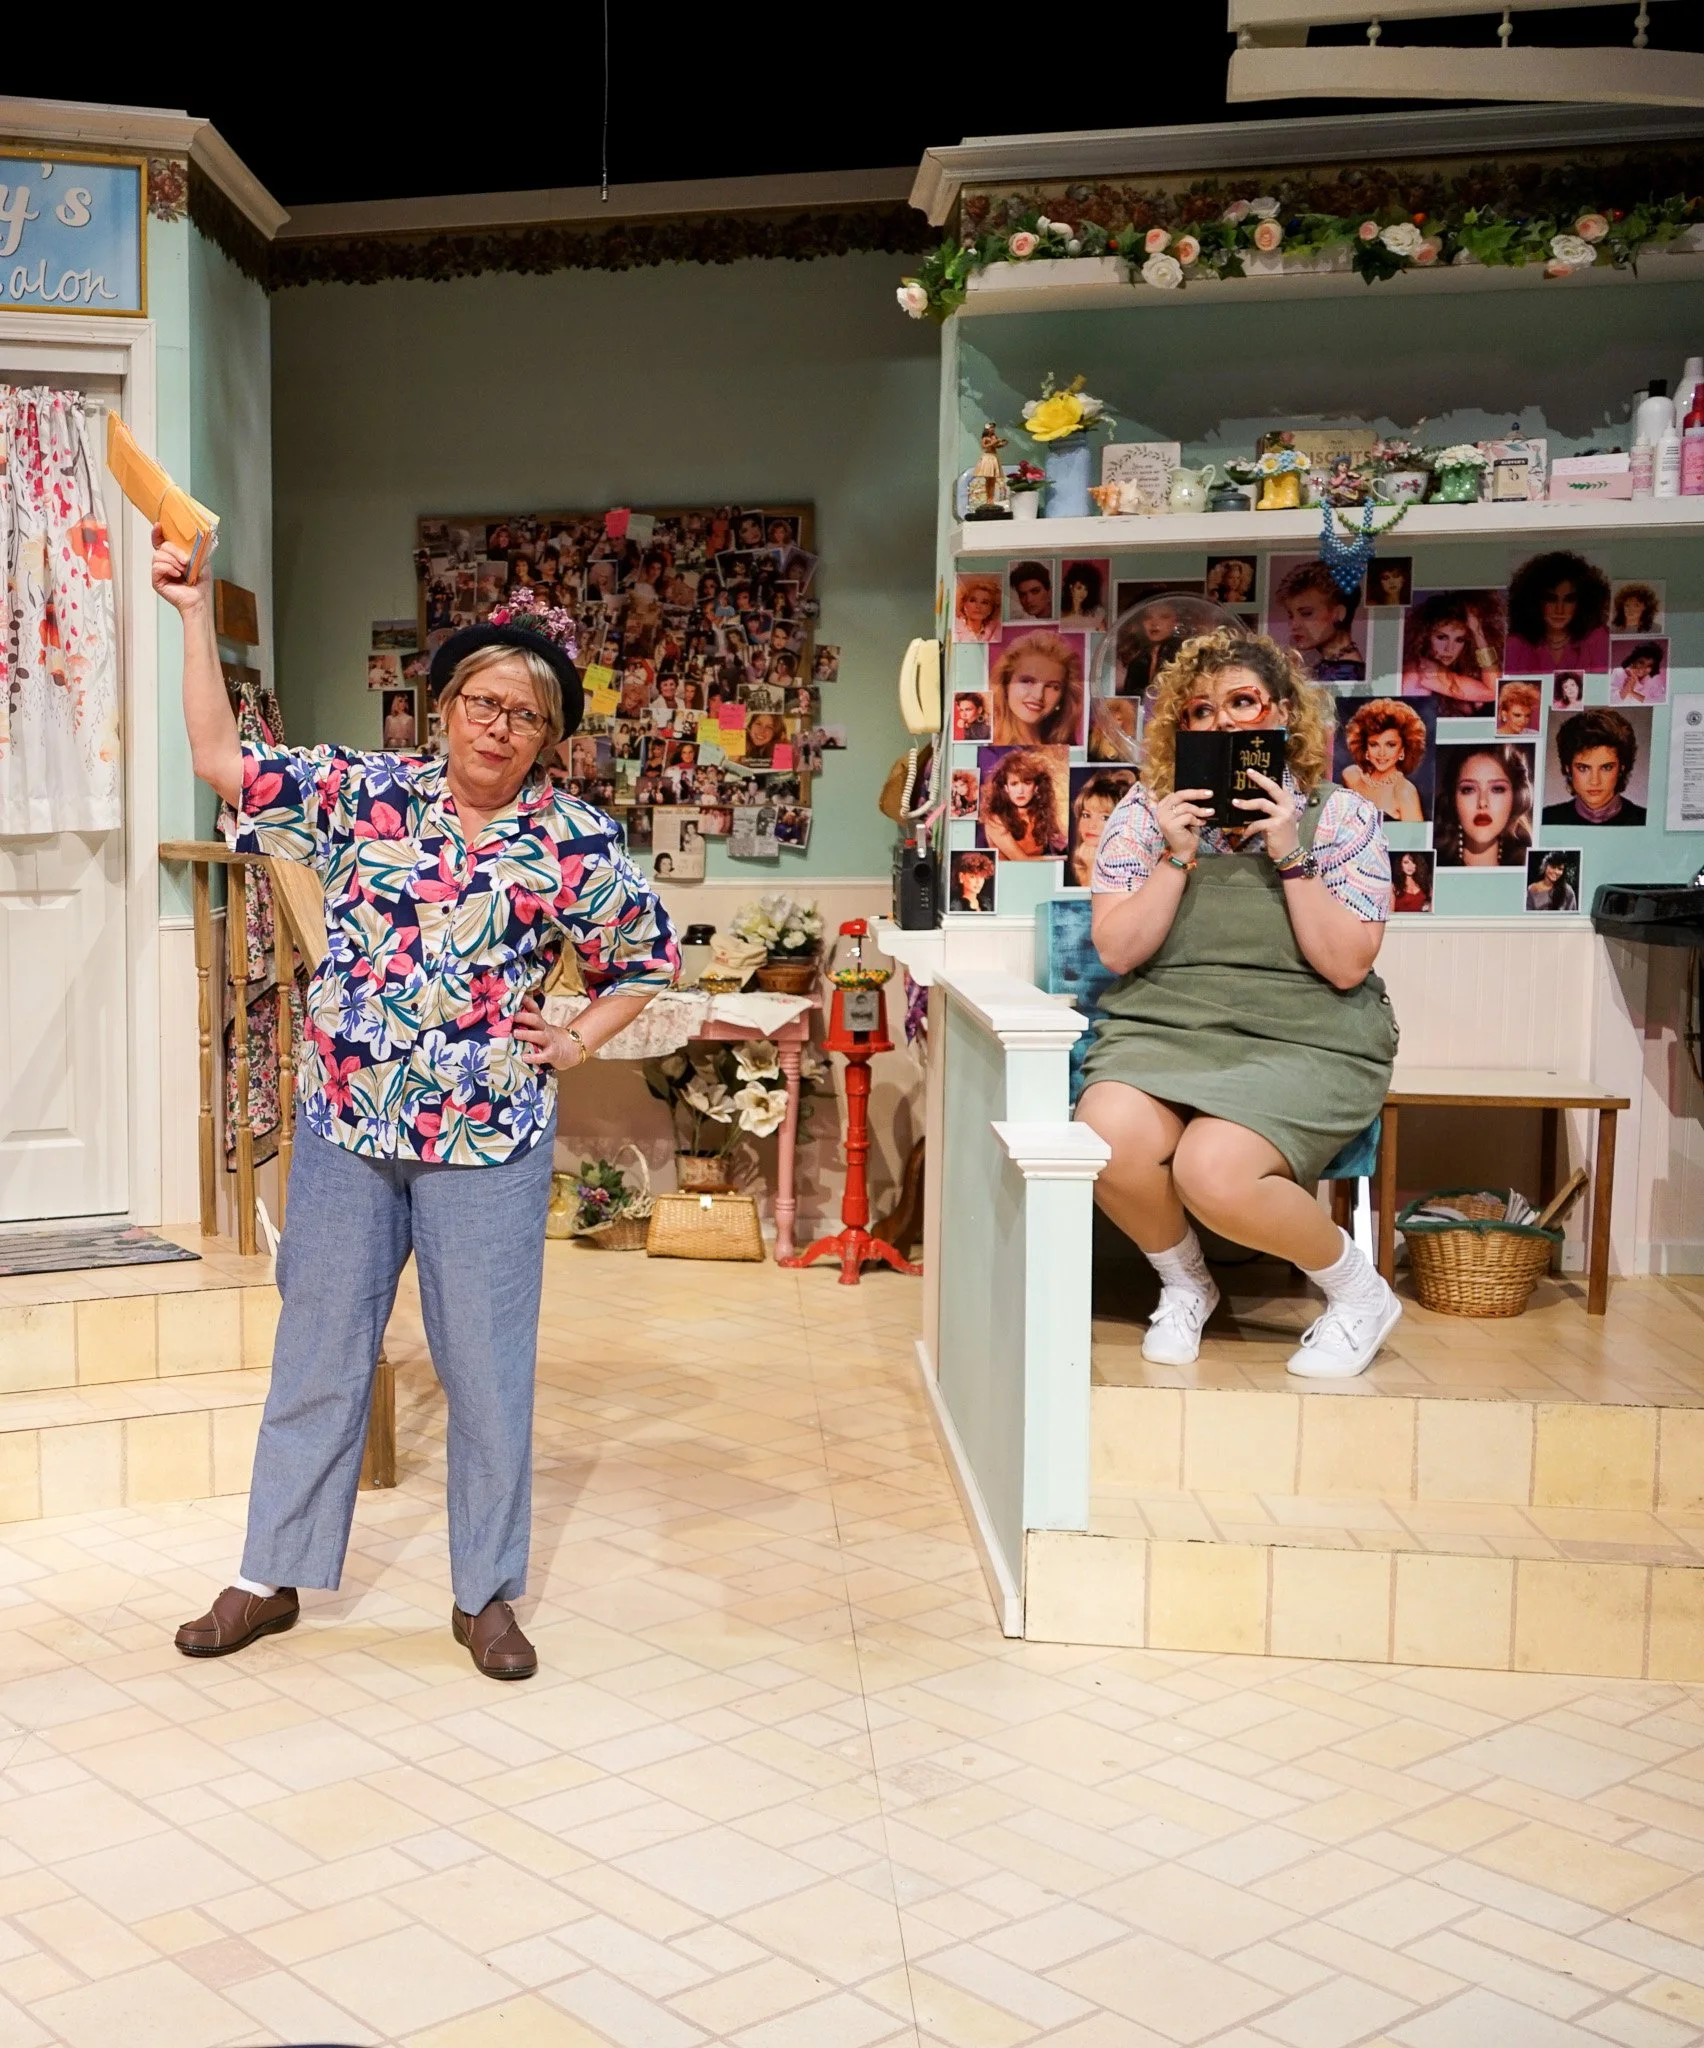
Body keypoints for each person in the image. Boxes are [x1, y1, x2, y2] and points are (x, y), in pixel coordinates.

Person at [156, 549, 677, 1681]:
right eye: (483, 702)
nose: (499, 728)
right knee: (317, 1352)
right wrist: (193, 614)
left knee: (485, 1370)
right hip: (348, 1127)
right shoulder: (364, 792)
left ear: (547, 736)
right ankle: (270, 1574)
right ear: (443, 707)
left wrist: (577, 1036)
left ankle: (484, 1593)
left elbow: (646, 958)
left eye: (525, 715)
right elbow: (218, 760)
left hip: (487, 1142)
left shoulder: (575, 839)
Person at [1076, 628, 1400, 1380]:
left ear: (1281, 712)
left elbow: (1347, 966)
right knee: (1106, 1135)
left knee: (1213, 1171)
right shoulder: (1143, 814)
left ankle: (1361, 1295)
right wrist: (1175, 856)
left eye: (1242, 703)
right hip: (1166, 1024)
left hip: (1306, 1035)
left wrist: (1290, 851)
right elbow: (1117, 952)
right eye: (1200, 710)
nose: (1221, 721)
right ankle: (1186, 1284)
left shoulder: (1342, 817)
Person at [1505, 550, 1611, 674]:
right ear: (1534, 601)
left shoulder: (1598, 639)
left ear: (1582, 602)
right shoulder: (1516, 645)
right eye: (1551, 599)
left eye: (1569, 600)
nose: (1559, 610)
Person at [1542, 707, 1647, 827]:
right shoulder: (1546, 819)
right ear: (1568, 769)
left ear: (1622, 768)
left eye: (1606, 768)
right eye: (1583, 768)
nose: (1595, 781)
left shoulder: (1644, 820)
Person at [1436, 744, 1535, 865]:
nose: (1482, 802)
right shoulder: (1434, 866)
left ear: (1515, 798)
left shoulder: (1528, 867)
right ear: (1453, 798)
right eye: (1468, 789)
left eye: (1497, 789)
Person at [1401, 592, 1501, 705]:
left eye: (1459, 640)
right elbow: (1493, 692)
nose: (1449, 649)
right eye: (1441, 637)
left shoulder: (1438, 669)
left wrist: (1477, 634)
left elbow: (1494, 690)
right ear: (1424, 637)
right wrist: (1479, 636)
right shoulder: (1422, 669)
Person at [1272, 560, 1364, 682]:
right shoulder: (1331, 667)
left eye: (1306, 613)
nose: (1294, 625)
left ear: (1339, 613)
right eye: (1291, 615)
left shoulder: (1345, 675)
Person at [991, 630, 1084, 746]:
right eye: (1027, 681)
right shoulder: (986, 746)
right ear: (1006, 683)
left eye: (1053, 687)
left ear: (1062, 697)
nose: (1038, 695)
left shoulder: (1068, 747)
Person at [1341, 698, 1426, 821]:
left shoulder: (1405, 792)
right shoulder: (1351, 776)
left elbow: (1416, 834)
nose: (1381, 753)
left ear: (1403, 750)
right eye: (1374, 744)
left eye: (1390, 745)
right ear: (1365, 747)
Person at [980, 747, 1066, 860]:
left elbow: (1061, 845)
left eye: (1027, 782)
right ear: (1006, 788)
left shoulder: (1041, 815)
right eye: (1014, 784)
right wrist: (1063, 859)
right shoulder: (995, 820)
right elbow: (1021, 860)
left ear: (1036, 787)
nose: (1020, 791)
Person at [1067, 769, 1134, 887]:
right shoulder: (1079, 861)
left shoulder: (1131, 871)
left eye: (1105, 817)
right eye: (1086, 815)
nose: (1091, 825)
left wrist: (1091, 867)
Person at [954, 573, 1002, 643]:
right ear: (963, 603)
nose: (978, 606)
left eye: (984, 602)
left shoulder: (996, 631)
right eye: (972, 600)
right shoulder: (954, 629)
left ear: (991, 609)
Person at [1060, 561, 1108, 629]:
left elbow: (1102, 632)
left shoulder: (1095, 612)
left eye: (1086, 589)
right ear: (1071, 587)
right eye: (1079, 588)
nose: (1082, 593)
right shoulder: (1060, 612)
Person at [1392, 850, 1432, 914]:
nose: (1410, 866)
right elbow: (1390, 913)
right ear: (1400, 865)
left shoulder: (1424, 884)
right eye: (1406, 862)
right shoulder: (1395, 886)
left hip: (1420, 919)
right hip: (1401, 920)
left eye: (1413, 862)